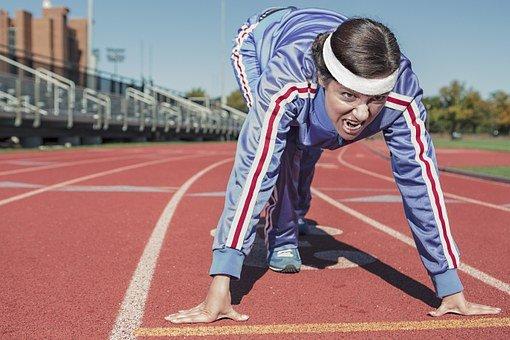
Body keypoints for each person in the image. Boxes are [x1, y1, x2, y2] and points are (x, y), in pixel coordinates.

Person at [165, 7, 501, 323]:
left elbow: (422, 185)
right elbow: (254, 170)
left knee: (312, 142)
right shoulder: (287, 80)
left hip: (326, 44)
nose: (362, 115)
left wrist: (450, 286)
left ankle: (297, 210)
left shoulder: (402, 96)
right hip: (261, 39)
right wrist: (222, 283)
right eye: (349, 96)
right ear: (325, 80)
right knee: (283, 149)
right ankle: (282, 236)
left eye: (375, 100)